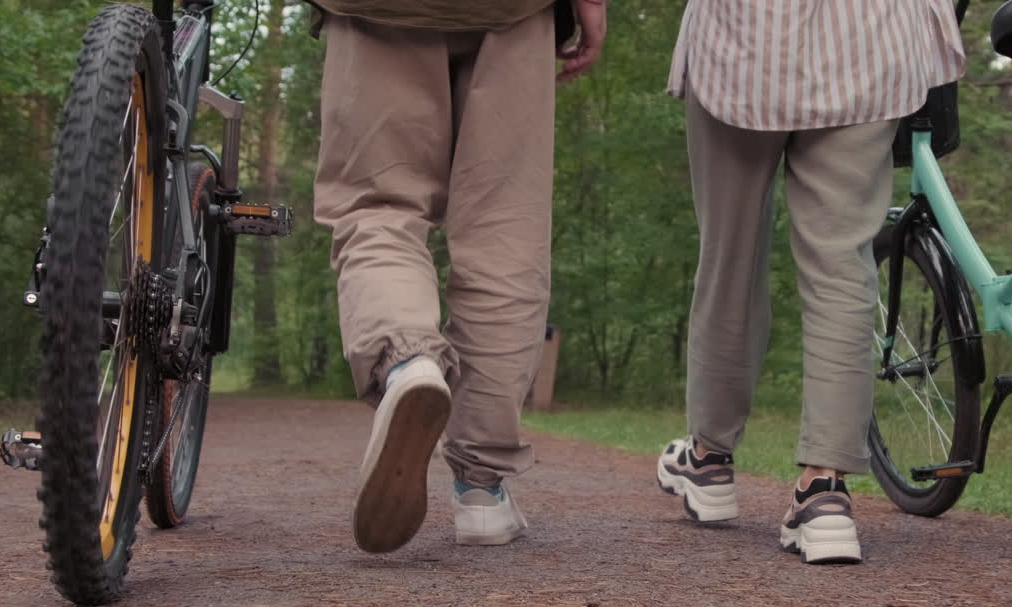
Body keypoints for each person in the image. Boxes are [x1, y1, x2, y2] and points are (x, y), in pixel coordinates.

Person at [656, 1, 965, 563]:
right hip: (869, 39)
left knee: (730, 256)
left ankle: (708, 459)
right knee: (843, 266)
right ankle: (823, 490)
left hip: (744, 43)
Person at [311, 0, 606, 553]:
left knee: (377, 206)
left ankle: (408, 361)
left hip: (374, 9)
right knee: (505, 228)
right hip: (517, 10)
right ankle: (481, 490)